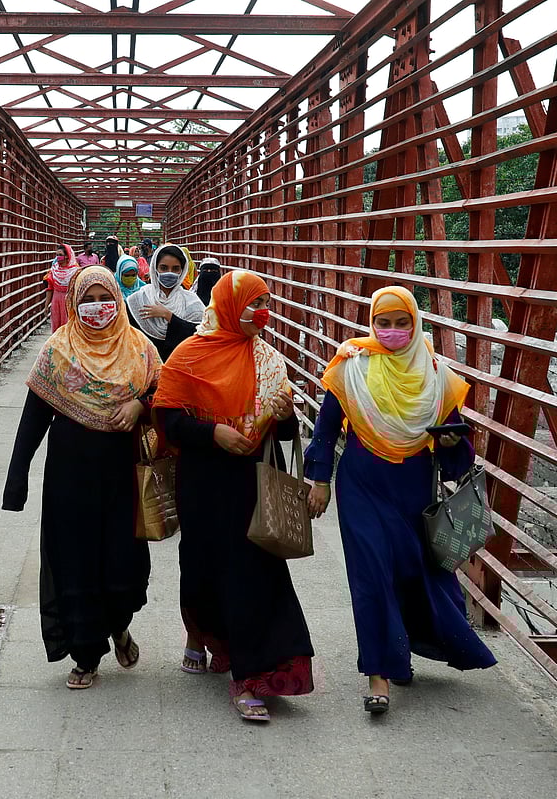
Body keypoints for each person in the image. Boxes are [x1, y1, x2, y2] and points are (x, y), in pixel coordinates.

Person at [305, 285, 496, 715]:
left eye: (400, 323)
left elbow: (458, 456)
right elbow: (326, 427)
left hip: (414, 489)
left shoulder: (434, 376)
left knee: (411, 571)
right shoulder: (351, 366)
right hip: (362, 486)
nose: (391, 331)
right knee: (371, 576)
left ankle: (403, 647)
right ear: (371, 323)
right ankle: (379, 673)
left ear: (415, 324)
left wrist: (450, 443)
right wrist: (319, 480)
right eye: (382, 323)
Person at [154, 270, 314, 723]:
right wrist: (213, 433)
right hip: (203, 478)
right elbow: (166, 418)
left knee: (253, 570)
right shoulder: (190, 354)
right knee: (202, 564)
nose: (262, 314)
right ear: (228, 306)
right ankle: (201, 633)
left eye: (267, 304)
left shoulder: (268, 360)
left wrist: (284, 416)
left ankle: (250, 676)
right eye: (253, 305)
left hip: (251, 479)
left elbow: (282, 430)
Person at [3, 266, 162, 690]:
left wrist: (140, 406)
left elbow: (167, 398)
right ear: (74, 303)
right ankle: (86, 654)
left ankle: (119, 626)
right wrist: (16, 480)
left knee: (121, 562)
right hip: (69, 476)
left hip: (121, 475)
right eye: (87, 299)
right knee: (74, 561)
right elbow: (33, 418)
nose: (97, 307)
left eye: (103, 297)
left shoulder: (140, 350)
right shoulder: (57, 351)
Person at [125, 243, 205, 360]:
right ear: (155, 268)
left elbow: (199, 337)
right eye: (164, 268)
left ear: (182, 271)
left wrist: (168, 316)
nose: (169, 272)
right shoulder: (138, 300)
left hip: (180, 369)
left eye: (175, 269)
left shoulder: (191, 302)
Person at [44, 244, 80, 332]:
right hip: (56, 301)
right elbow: (50, 288)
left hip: (69, 301)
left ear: (67, 256)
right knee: (56, 326)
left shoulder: (75, 271)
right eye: (57, 255)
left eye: (60, 255)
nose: (58, 257)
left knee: (68, 326)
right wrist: (46, 305)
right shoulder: (53, 270)